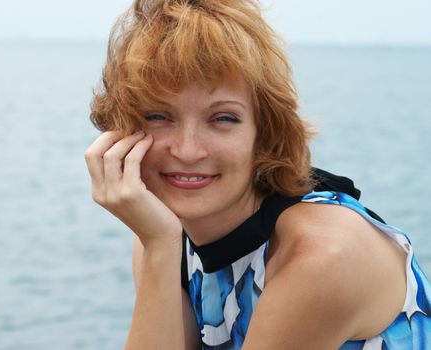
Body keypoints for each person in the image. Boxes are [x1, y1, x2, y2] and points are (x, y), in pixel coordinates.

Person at [84, 0, 431, 348]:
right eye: (158, 116)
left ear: (264, 133)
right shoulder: (162, 237)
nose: (188, 150)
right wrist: (158, 244)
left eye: (223, 119)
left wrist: (158, 246)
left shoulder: (321, 256)